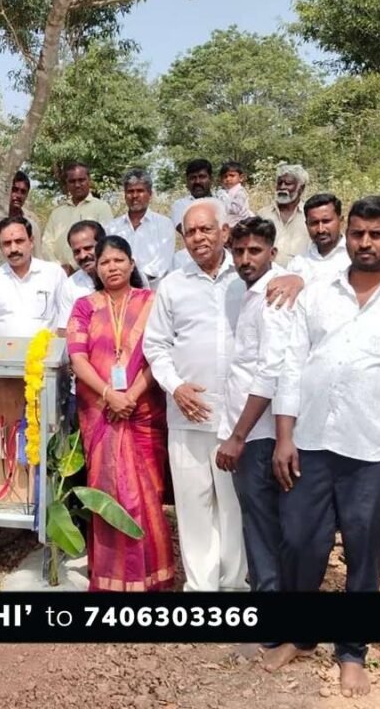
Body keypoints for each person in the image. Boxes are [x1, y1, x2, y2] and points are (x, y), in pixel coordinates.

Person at [270, 195, 380, 696]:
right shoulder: (317, 292)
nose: (364, 242)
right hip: (311, 444)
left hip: (373, 451)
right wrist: (285, 435)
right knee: (300, 542)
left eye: (375, 234)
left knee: (365, 553)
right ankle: (300, 635)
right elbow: (291, 365)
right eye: (357, 233)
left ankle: (353, 651)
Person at [144, 199, 301, 594]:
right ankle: (201, 588)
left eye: (206, 229)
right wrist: (175, 386)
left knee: (235, 505)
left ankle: (234, 584)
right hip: (188, 413)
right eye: (191, 231)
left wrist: (300, 280)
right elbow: (156, 345)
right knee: (194, 504)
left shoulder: (250, 275)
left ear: (223, 232)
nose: (198, 237)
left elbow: (304, 282)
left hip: (239, 419)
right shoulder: (172, 285)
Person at [66, 235, 171, 591]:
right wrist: (110, 394)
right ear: (95, 267)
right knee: (108, 491)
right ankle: (111, 575)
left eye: (118, 260)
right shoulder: (84, 306)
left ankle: (152, 573)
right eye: (104, 262)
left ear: (131, 262)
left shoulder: (151, 302)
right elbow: (78, 358)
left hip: (142, 411)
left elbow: (160, 354)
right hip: (100, 411)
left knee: (147, 493)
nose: (111, 267)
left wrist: (132, 395)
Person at [214, 217, 295, 601]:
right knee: (258, 524)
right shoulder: (245, 292)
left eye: (255, 251)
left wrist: (237, 436)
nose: (246, 259)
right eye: (240, 251)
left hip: (259, 436)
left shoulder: (273, 298)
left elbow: (270, 372)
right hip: (248, 431)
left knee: (263, 527)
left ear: (272, 253)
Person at [0, 215, 69, 336]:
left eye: (19, 241)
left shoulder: (54, 273)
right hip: (5, 354)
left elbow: (67, 319)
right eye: (7, 243)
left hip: (47, 353)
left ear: (31, 241)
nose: (13, 249)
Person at [107, 168, 176, 288]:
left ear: (150, 194)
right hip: (120, 294)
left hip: (154, 295)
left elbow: (160, 266)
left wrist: (131, 281)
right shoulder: (112, 228)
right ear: (125, 195)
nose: (134, 196)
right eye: (130, 191)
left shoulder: (164, 225)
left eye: (140, 191)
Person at [44, 162, 114, 268]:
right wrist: (58, 268)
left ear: (89, 180)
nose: (77, 185)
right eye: (72, 181)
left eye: (81, 180)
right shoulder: (57, 213)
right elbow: (46, 245)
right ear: (66, 184)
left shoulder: (101, 208)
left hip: (93, 272)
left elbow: (107, 241)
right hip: (60, 274)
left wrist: (77, 267)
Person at [55, 220, 106, 333]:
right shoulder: (70, 285)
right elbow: (64, 331)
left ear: (103, 244)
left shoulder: (126, 275)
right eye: (77, 252)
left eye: (88, 248)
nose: (83, 256)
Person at [287, 193, 350, 282]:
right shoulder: (298, 263)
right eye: (314, 223)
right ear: (306, 225)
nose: (321, 230)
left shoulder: (354, 257)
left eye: (326, 221)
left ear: (341, 221)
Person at [257, 163, 310, 266]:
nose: (282, 187)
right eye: (279, 183)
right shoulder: (263, 215)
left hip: (301, 277)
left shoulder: (309, 216)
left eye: (288, 183)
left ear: (301, 188)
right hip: (268, 276)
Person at [170, 159, 215, 232]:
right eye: (192, 178)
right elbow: (187, 231)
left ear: (211, 179)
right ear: (187, 182)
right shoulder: (180, 205)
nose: (197, 181)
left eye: (202, 177)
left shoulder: (223, 202)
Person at [9, 171, 43, 255]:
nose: (18, 195)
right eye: (14, 190)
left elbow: (37, 254)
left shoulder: (32, 224)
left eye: (23, 192)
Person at [215, 162, 254, 228]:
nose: (228, 179)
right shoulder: (223, 192)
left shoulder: (240, 192)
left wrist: (222, 204)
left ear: (241, 178)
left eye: (232, 175)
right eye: (225, 177)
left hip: (240, 225)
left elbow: (235, 209)